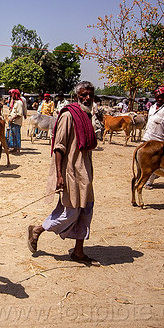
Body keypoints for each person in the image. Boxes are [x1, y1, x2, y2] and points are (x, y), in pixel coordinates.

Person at [27, 81, 98, 265]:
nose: (88, 98)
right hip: (70, 172)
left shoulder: (87, 115)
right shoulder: (69, 116)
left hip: (85, 173)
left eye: (90, 94)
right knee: (71, 213)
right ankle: (38, 229)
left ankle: (78, 252)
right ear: (77, 96)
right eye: (83, 94)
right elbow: (59, 148)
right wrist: (59, 175)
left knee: (86, 211)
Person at [142, 86, 164, 189]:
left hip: (159, 139)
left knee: (154, 161)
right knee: (145, 160)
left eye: (162, 97)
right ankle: (147, 177)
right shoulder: (152, 107)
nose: (160, 99)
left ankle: (150, 181)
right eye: (158, 97)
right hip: (147, 137)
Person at [6, 89, 24, 153]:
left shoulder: (19, 103)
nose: (11, 95)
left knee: (16, 135)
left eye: (12, 94)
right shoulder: (15, 102)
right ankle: (14, 147)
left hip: (16, 122)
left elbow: (19, 114)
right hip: (12, 121)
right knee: (12, 135)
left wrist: (12, 119)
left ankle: (18, 148)